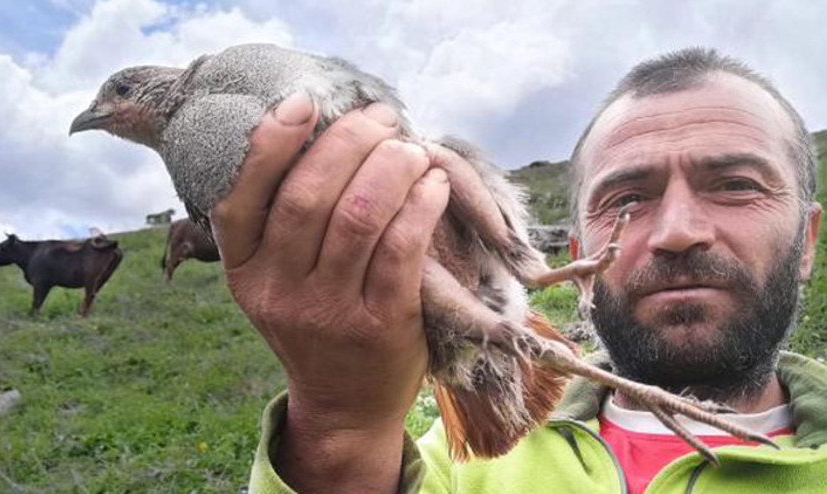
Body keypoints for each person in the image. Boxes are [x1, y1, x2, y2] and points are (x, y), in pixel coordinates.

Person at [211, 47, 827, 493]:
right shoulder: (452, 464)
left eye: (736, 185)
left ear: (807, 240)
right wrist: (340, 422)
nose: (677, 232)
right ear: (577, 250)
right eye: (627, 199)